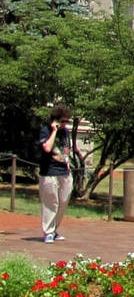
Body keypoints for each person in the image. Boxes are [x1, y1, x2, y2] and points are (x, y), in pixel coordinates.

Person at [37, 104, 74, 243]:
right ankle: (48, 232)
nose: (65, 124)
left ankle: (54, 229)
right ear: (55, 120)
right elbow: (46, 148)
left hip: (64, 171)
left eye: (67, 121)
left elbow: (66, 149)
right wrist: (54, 131)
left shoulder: (66, 132)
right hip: (49, 172)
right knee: (51, 203)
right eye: (62, 121)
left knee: (63, 201)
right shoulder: (45, 130)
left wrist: (68, 163)